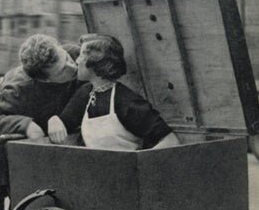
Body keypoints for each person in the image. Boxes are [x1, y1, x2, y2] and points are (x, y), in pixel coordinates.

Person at [0, 34, 78, 210]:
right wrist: (24, 124)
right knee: (2, 144)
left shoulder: (72, 53)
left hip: (42, 111)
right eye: (62, 70)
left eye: (67, 59)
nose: (72, 67)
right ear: (43, 79)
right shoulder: (20, 87)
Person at [48, 33, 180, 150]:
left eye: (82, 55)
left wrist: (142, 165)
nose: (77, 60)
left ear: (96, 61)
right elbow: (64, 122)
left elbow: (171, 141)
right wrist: (54, 120)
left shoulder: (128, 102)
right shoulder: (86, 93)